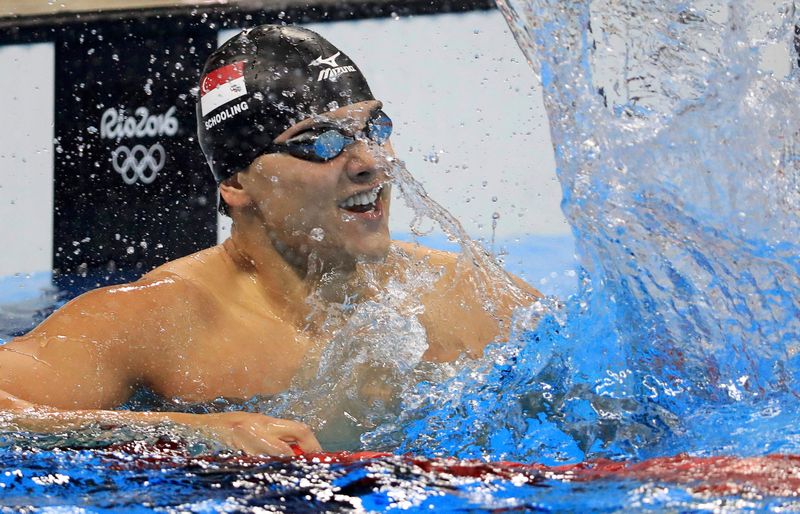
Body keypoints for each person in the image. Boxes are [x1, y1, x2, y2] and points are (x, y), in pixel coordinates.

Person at [0, 25, 540, 456]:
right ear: (236, 183)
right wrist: (193, 431)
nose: (371, 164)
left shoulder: (469, 297)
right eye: (321, 141)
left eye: (373, 129)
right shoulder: (157, 322)